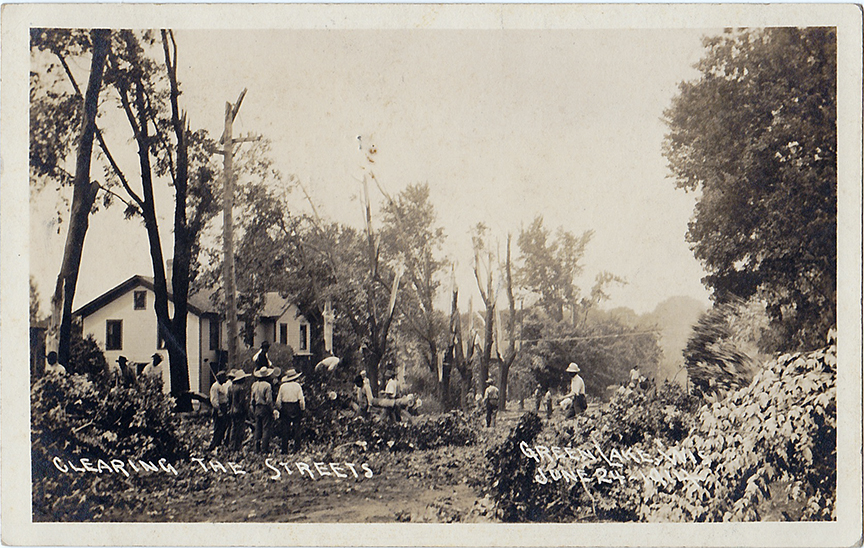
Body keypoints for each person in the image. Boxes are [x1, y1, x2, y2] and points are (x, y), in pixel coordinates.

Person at [276, 368, 305, 454]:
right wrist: (302, 409)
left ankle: (284, 449)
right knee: (297, 428)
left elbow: (278, 401)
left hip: (285, 407)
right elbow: (301, 400)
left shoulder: (282, 386)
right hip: (295, 407)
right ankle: (297, 449)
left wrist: (280, 409)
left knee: (285, 429)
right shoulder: (297, 386)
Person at [250, 367, 275, 453]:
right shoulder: (267, 386)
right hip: (264, 408)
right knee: (266, 428)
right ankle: (264, 448)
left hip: (257, 407)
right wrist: (272, 410)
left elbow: (252, 399)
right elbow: (269, 400)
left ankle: (256, 448)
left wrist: (253, 409)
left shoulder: (254, 385)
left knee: (257, 428)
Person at [227, 369, 250, 452]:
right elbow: (242, 402)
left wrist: (229, 409)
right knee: (240, 430)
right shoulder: (241, 389)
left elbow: (228, 400)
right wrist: (246, 411)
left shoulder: (230, 388)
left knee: (233, 428)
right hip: (239, 411)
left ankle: (231, 445)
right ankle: (237, 447)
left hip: (232, 411)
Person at [208, 371, 230, 451]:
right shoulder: (215, 387)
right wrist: (219, 410)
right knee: (218, 427)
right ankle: (214, 445)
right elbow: (214, 400)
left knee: (223, 427)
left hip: (223, 407)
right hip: (219, 408)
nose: (226, 379)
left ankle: (219, 445)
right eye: (224, 377)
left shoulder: (222, 386)